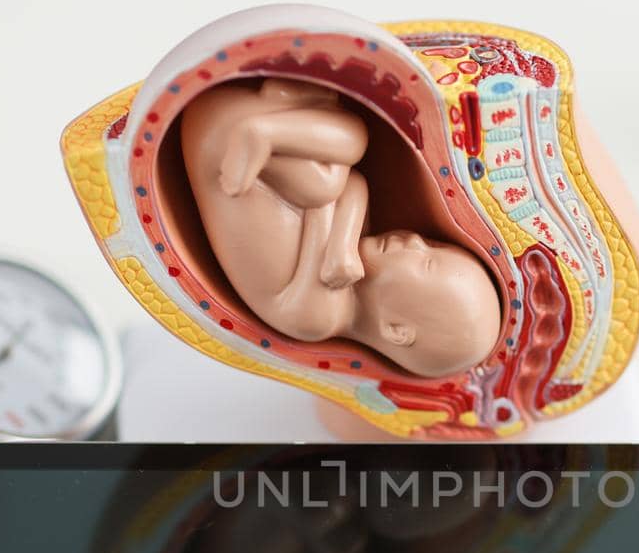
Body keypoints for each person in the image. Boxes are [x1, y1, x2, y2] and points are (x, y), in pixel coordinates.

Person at [181, 78, 501, 377]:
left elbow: (331, 198)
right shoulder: (351, 268)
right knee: (352, 143)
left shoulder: (317, 321)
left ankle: (265, 128)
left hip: (219, 143)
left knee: (323, 185)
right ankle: (269, 123)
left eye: (427, 263)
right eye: (433, 246)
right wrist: (342, 247)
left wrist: (333, 225)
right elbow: (355, 184)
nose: (416, 241)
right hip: (239, 132)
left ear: (396, 330)